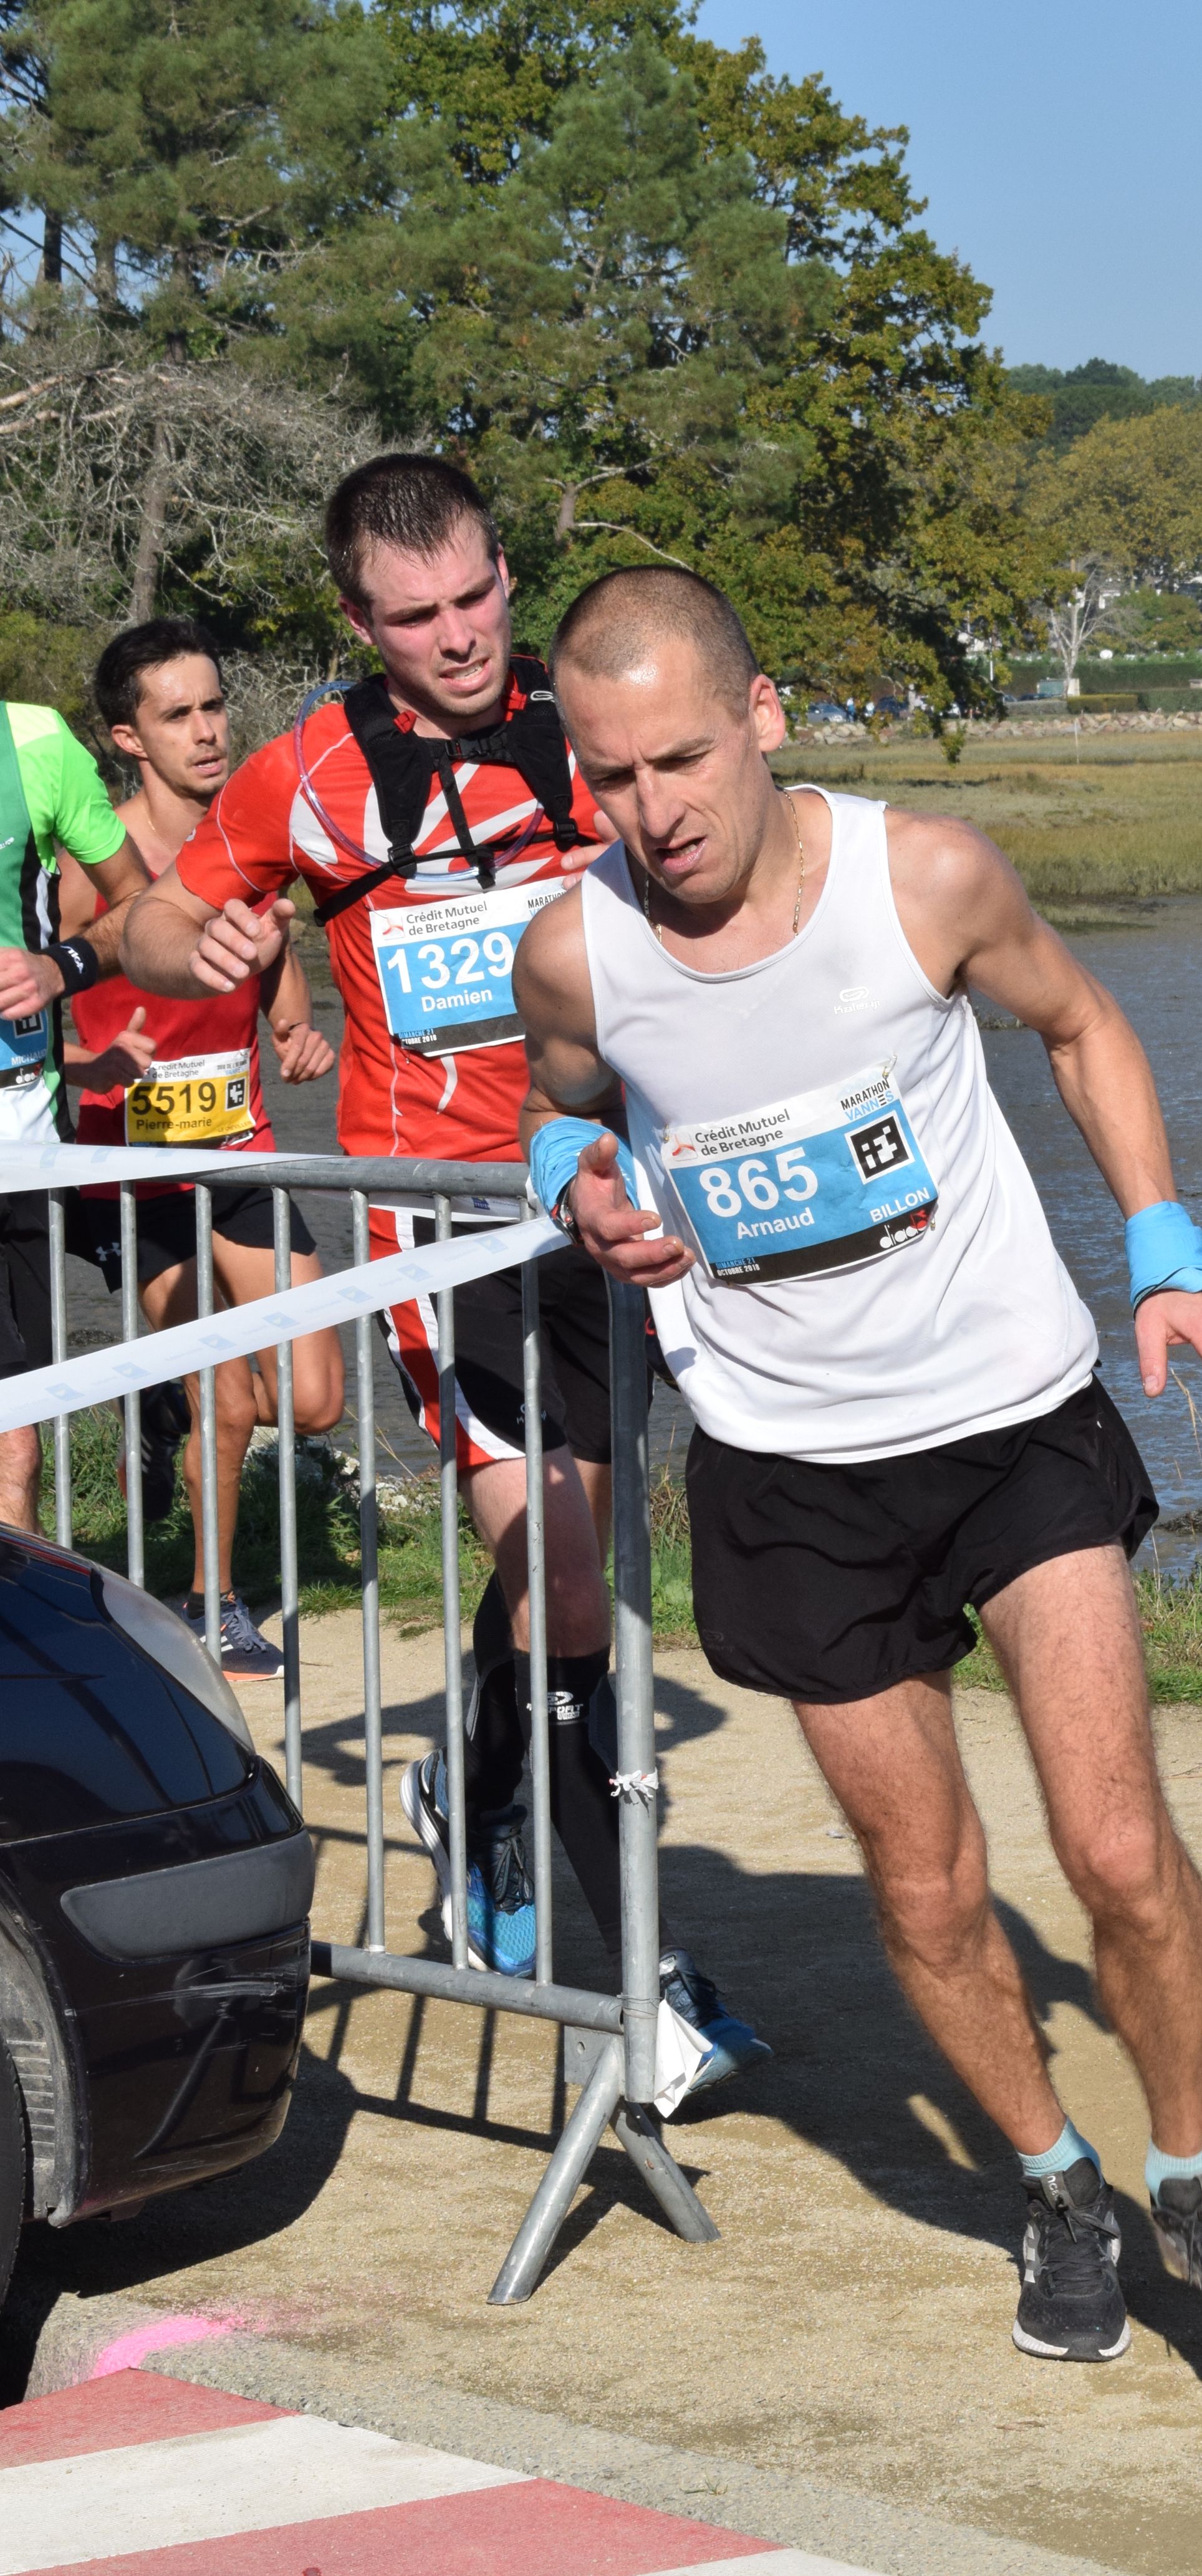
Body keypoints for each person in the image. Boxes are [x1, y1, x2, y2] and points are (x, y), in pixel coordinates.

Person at [514, 566, 1202, 2388]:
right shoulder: (578, 951)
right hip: (791, 1471)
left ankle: (1193, 2181)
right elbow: (553, 1097)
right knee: (929, 1890)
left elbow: (1081, 1023)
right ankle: (1057, 2187)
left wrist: (1169, 1243)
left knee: (1116, 1852)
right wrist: (572, 1177)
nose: (655, 809)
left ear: (762, 716)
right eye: (611, 775)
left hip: (1009, 1424)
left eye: (681, 758)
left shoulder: (924, 878)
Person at [118, 462, 765, 2087]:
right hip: (444, 1217)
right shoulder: (309, 771)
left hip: (612, 1192)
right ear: (360, 623)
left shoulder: (588, 725)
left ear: (506, 574)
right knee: (566, 1579)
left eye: (478, 596)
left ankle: (470, 1798)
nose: (461, 637)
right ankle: (647, 1993)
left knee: (568, 1567)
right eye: (416, 617)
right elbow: (154, 924)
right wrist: (192, 947)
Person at [63, 619, 346, 1677]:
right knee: (225, 1398)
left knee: (312, 1401)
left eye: (215, 706)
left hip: (242, 1153)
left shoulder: (246, 845)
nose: (208, 730)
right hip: (132, 1175)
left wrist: (295, 1028)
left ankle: (159, 1403)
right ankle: (211, 1605)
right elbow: (25, 1002)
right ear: (128, 738)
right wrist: (87, 1065)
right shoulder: (93, 865)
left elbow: (273, 963)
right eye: (177, 714)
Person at [0, 700, 151, 1534]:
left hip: (24, 1141)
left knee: (18, 1433)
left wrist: (59, 968)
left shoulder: (34, 741)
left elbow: (141, 905)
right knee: (11, 1444)